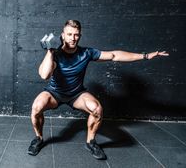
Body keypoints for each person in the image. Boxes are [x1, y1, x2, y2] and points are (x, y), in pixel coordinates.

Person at [27, 20, 169, 160]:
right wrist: (50, 51)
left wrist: (145, 56)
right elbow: (44, 75)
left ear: (80, 36)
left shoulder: (86, 53)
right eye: (69, 34)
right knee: (36, 107)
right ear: (62, 35)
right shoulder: (55, 53)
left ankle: (91, 142)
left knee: (97, 109)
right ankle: (38, 138)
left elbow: (115, 55)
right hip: (54, 93)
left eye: (76, 35)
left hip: (76, 94)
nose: (73, 38)